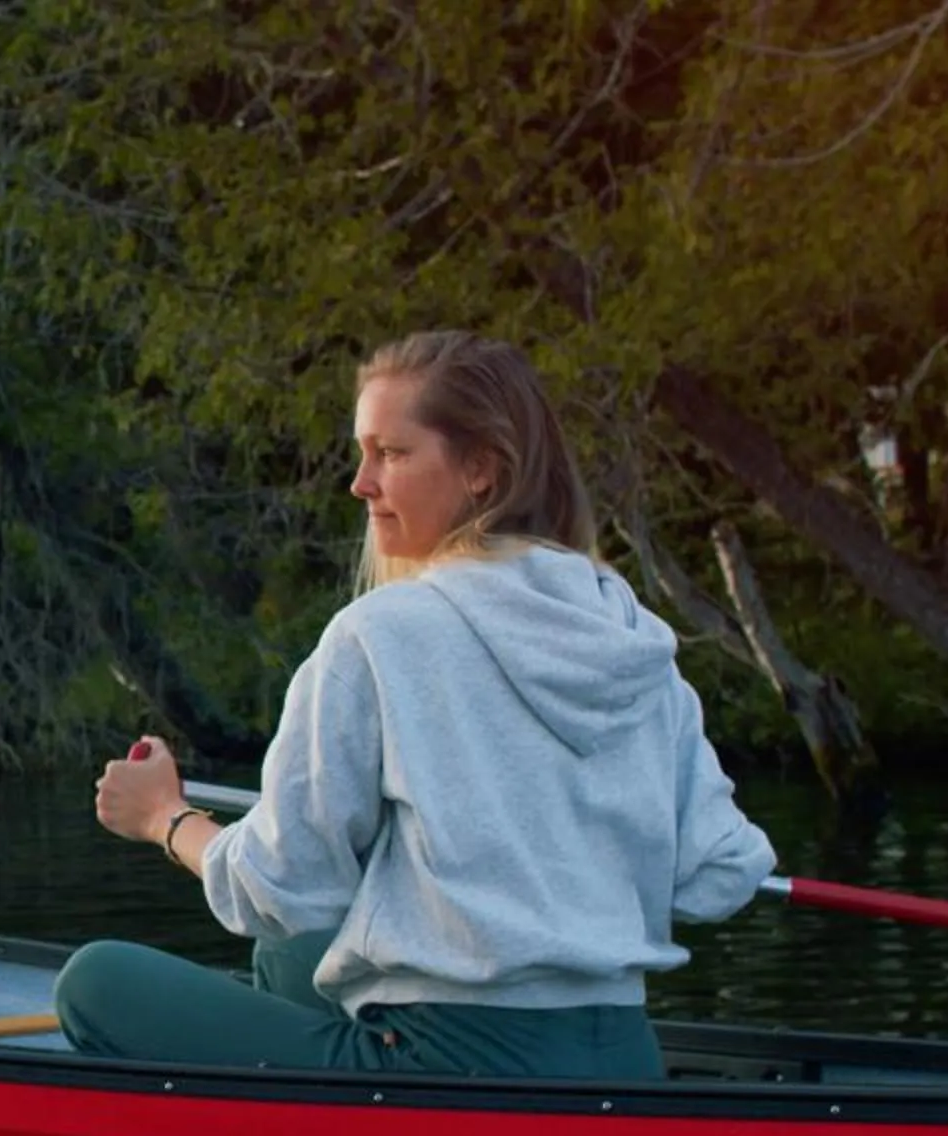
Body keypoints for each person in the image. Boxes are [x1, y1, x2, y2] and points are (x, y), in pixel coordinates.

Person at [52, 331, 776, 1079]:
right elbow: (719, 871)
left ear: (481, 470)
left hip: (452, 1066)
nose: (361, 483)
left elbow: (272, 886)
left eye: (391, 454)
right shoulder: (631, 635)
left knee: (93, 983)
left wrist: (164, 819)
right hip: (623, 1060)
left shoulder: (378, 636)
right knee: (294, 952)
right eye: (362, 453)